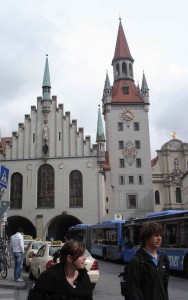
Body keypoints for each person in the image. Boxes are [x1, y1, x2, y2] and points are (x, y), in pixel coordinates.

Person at [27, 240, 93, 300]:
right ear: (69, 258)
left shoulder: (84, 277)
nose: (84, 258)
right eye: (81, 255)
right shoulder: (48, 277)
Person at [126, 221, 169, 300]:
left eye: (160, 235)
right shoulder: (136, 261)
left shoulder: (164, 259)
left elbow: (165, 289)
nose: (159, 238)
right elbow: (133, 292)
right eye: (155, 235)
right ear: (146, 238)